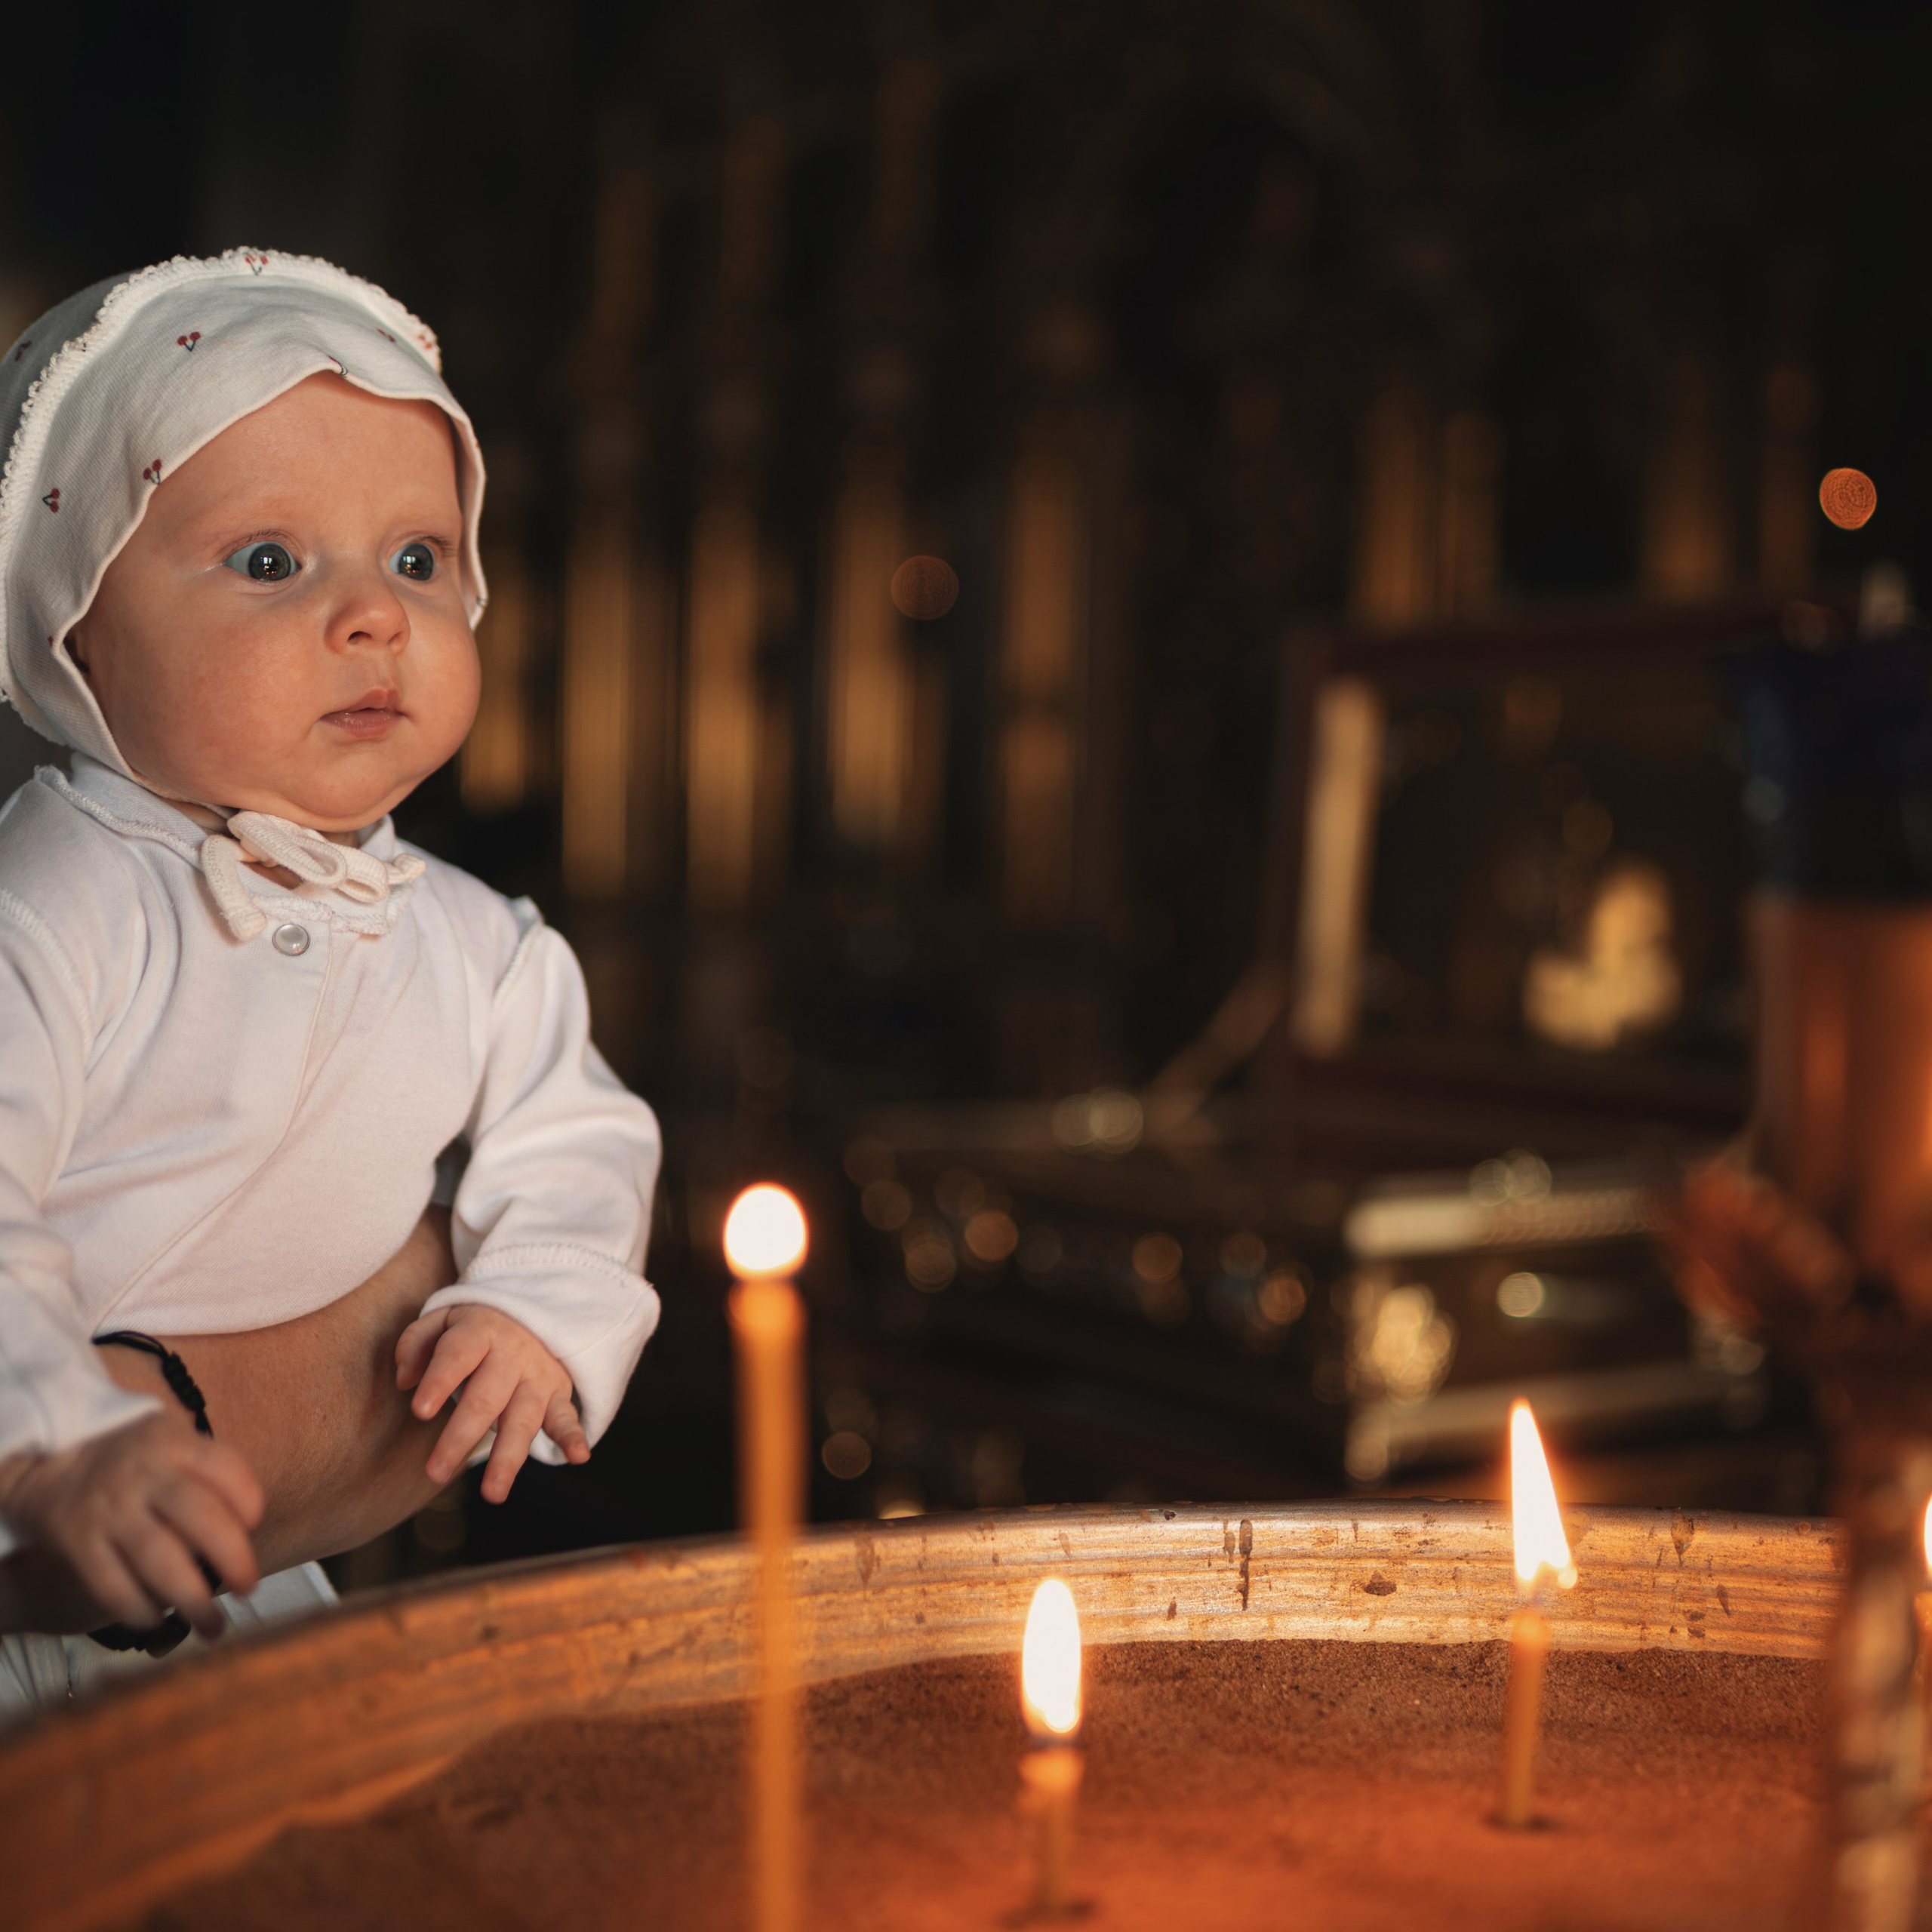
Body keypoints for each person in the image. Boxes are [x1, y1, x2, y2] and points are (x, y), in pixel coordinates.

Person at [0, 251, 662, 1715]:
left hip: (253, 1577)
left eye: (417, 561)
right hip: (55, 1543)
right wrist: (59, 1438)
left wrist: (539, 1300)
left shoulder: (475, 939)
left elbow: (581, 1133)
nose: (375, 616)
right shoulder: (55, 907)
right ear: (76, 626)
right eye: (270, 561)